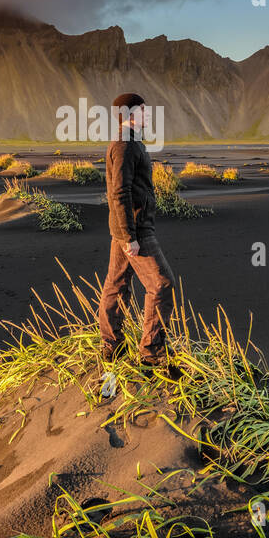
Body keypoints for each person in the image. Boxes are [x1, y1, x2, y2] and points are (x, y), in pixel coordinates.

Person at [97, 92, 176, 368]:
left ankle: (111, 346)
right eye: (143, 111)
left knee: (117, 284)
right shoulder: (125, 145)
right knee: (162, 284)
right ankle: (151, 353)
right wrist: (129, 236)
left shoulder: (130, 142)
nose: (147, 115)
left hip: (128, 228)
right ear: (130, 115)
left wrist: (123, 233)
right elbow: (119, 192)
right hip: (136, 229)